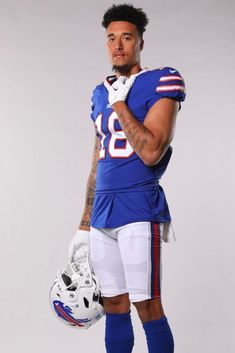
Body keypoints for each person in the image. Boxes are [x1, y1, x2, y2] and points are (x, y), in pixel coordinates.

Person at [69, 4, 186, 353]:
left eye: (127, 37)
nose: (118, 45)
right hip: (103, 210)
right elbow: (97, 158)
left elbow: (152, 151)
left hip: (138, 205)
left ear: (140, 42)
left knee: (146, 306)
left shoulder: (162, 79)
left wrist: (121, 106)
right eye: (111, 39)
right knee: (114, 306)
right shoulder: (99, 91)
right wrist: (83, 224)